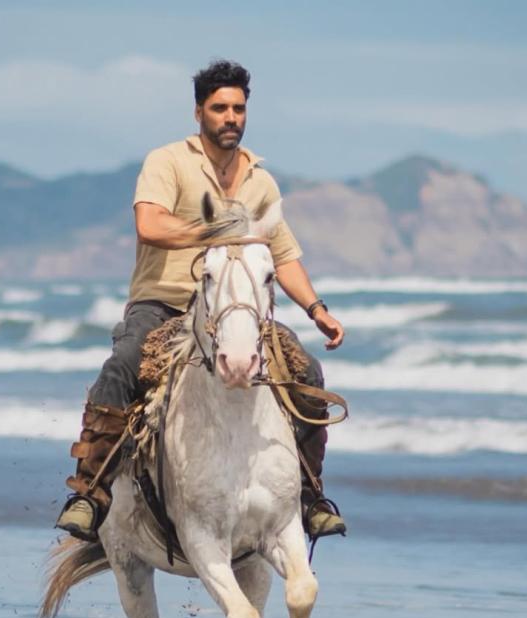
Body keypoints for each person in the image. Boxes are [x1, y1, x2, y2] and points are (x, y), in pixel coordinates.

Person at [56, 59, 346, 543]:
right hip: (164, 304)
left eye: (238, 109)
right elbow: (150, 224)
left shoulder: (260, 181)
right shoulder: (168, 162)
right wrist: (215, 231)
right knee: (123, 364)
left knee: (308, 374)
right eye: (219, 108)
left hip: (236, 311)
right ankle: (90, 492)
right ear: (198, 113)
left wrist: (317, 310)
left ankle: (309, 496)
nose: (230, 117)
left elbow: (282, 254)